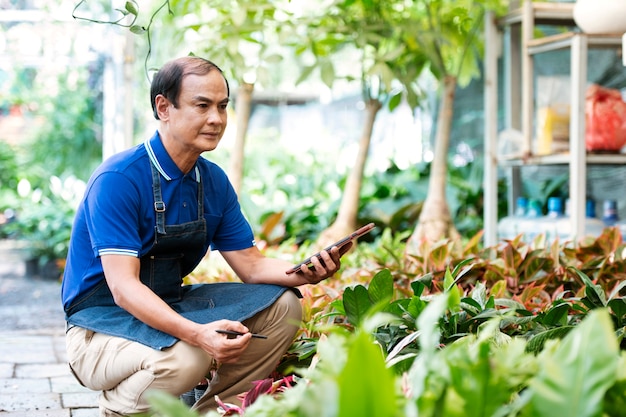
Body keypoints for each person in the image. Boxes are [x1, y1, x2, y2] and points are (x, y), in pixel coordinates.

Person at [61, 56, 352, 417]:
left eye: (222, 106)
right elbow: (123, 288)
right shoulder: (119, 179)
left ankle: (212, 411)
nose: (216, 119)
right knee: (188, 357)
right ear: (164, 107)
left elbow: (251, 265)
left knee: (285, 306)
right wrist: (198, 334)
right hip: (98, 326)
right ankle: (121, 408)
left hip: (168, 305)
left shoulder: (212, 181)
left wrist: (306, 271)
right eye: (202, 105)